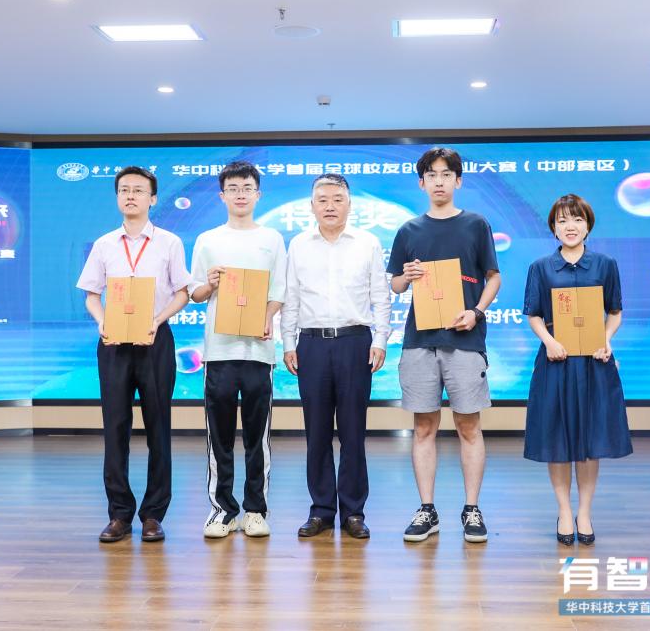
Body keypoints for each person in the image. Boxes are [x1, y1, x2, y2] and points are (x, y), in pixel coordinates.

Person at [387, 147, 501, 543]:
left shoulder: (476, 224)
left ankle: (472, 508)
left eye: (446, 174)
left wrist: (477, 312)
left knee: (469, 425)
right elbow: (395, 284)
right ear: (421, 183)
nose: (439, 181)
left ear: (458, 180)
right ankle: (427, 509)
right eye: (432, 175)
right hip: (419, 340)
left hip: (465, 340)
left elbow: (493, 277)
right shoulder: (409, 230)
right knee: (423, 427)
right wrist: (406, 275)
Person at [76, 166, 190, 543]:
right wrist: (102, 321)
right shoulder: (104, 244)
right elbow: (92, 295)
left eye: (139, 190)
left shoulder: (169, 242)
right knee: (115, 428)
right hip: (114, 342)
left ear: (152, 198)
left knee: (159, 428)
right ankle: (119, 514)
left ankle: (154, 514)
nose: (130, 196)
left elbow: (183, 293)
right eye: (124, 190)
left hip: (155, 339)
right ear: (117, 198)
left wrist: (157, 319)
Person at [280, 174, 392, 539]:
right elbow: (291, 297)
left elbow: (380, 296)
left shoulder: (367, 243)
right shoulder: (299, 245)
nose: (330, 206)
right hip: (311, 343)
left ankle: (354, 512)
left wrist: (380, 340)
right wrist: (288, 343)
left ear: (349, 204)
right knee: (316, 432)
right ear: (312, 206)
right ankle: (322, 510)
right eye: (323, 199)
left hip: (355, 342)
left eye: (337, 199)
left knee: (353, 431)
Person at [522, 194, 632, 546]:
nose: (570, 226)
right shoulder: (541, 267)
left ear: (588, 226)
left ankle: (584, 511)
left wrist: (606, 339)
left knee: (590, 438)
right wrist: (549, 341)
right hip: (556, 359)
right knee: (557, 437)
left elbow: (615, 312)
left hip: (594, 362)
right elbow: (533, 314)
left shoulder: (605, 265)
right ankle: (564, 511)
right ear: (554, 228)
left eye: (577, 219)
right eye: (562, 220)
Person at [189, 160, 286, 539]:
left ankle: (256, 510)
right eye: (233, 188)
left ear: (258, 194)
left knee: (257, 438)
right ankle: (223, 511)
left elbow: (279, 290)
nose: (240, 194)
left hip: (259, 351)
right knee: (220, 437)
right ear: (222, 196)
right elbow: (195, 293)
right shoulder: (208, 239)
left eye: (247, 188)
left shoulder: (272, 239)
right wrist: (210, 284)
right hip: (219, 352)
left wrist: (267, 317)